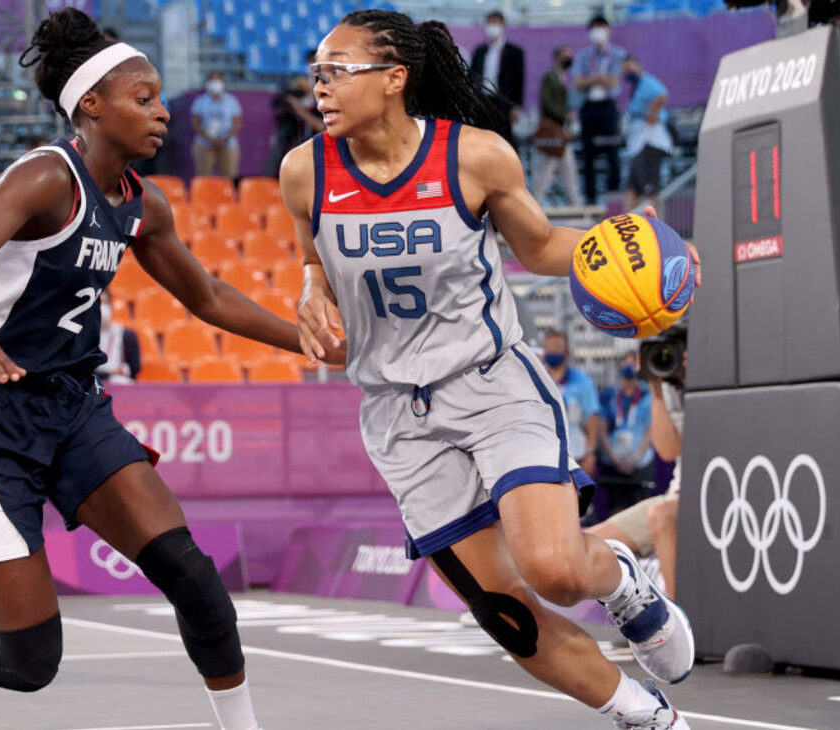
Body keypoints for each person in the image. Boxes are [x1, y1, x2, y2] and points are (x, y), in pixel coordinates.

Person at [0, 10, 341, 730]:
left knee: (194, 578)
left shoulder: (144, 204)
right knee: (29, 662)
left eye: (162, 97)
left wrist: (309, 339)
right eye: (144, 97)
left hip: (74, 409)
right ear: (91, 106)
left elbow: (207, 296)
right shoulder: (46, 176)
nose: (163, 110)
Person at [283, 10, 699, 729]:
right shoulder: (303, 171)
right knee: (502, 610)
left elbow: (538, 248)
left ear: (393, 78)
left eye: (336, 71)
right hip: (396, 413)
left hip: (492, 383)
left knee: (557, 572)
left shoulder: (474, 156)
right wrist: (311, 294)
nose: (319, 86)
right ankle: (644, 716)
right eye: (316, 73)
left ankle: (624, 581)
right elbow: (314, 259)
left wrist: (645, 248)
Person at [589, 357, 684, 599]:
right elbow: (669, 449)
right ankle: (646, 580)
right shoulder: (665, 389)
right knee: (589, 543)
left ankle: (679, 623)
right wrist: (657, 388)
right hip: (674, 494)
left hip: (696, 497)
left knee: (660, 516)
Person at [572, 16, 628, 204]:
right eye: (594, 27)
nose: (597, 31)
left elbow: (614, 81)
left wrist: (592, 79)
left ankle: (613, 197)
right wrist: (599, 78)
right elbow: (578, 83)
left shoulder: (618, 54)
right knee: (588, 154)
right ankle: (591, 198)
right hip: (588, 107)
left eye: (601, 27)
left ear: (608, 29)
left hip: (607, 107)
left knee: (612, 152)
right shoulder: (583, 55)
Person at [597, 352, 655, 512]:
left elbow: (649, 430)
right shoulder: (609, 395)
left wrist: (635, 459)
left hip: (640, 461)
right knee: (616, 511)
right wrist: (615, 459)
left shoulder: (648, 395)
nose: (629, 367)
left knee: (641, 511)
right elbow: (601, 430)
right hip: (613, 461)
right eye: (626, 363)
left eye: (633, 363)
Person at [542, 331, 601, 477]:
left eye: (558, 347)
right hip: (545, 457)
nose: (553, 351)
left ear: (567, 352)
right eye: (548, 347)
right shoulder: (539, 379)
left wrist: (590, 453)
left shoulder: (581, 380)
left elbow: (592, 416)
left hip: (576, 454)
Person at [532, 46, 583, 206]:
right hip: (553, 130)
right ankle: (537, 203)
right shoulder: (551, 77)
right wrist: (565, 114)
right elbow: (547, 103)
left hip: (560, 130)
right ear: (556, 58)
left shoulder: (563, 78)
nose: (568, 58)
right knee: (548, 171)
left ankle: (575, 204)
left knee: (564, 169)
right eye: (565, 55)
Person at [621, 56, 672, 211]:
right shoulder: (636, 87)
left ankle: (659, 227)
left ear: (638, 66)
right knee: (631, 188)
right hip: (638, 145)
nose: (627, 72)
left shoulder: (646, 81)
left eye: (630, 68)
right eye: (625, 70)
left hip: (649, 143)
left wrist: (652, 113)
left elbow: (662, 95)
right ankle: (627, 226)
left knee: (651, 189)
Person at [469, 11, 525, 147]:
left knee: (504, 140)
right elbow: (472, 77)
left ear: (503, 25)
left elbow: (519, 81)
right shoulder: (480, 51)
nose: (492, 26)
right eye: (490, 23)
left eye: (495, 23)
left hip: (503, 103)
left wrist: (515, 107)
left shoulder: (514, 52)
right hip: (482, 101)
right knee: (481, 138)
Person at [190, 71, 242, 177]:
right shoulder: (200, 101)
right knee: (203, 176)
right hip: (204, 144)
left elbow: (237, 122)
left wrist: (225, 139)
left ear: (222, 82)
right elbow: (196, 123)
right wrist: (210, 139)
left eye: (217, 80)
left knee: (229, 177)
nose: (215, 83)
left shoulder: (231, 101)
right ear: (207, 83)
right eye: (212, 80)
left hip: (228, 144)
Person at [95, 290, 141, 384]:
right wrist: (110, 372)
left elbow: (134, 368)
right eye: (98, 304)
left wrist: (118, 371)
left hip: (120, 385)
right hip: (95, 386)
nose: (102, 308)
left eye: (105, 303)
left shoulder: (127, 335)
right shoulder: (85, 337)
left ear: (111, 306)